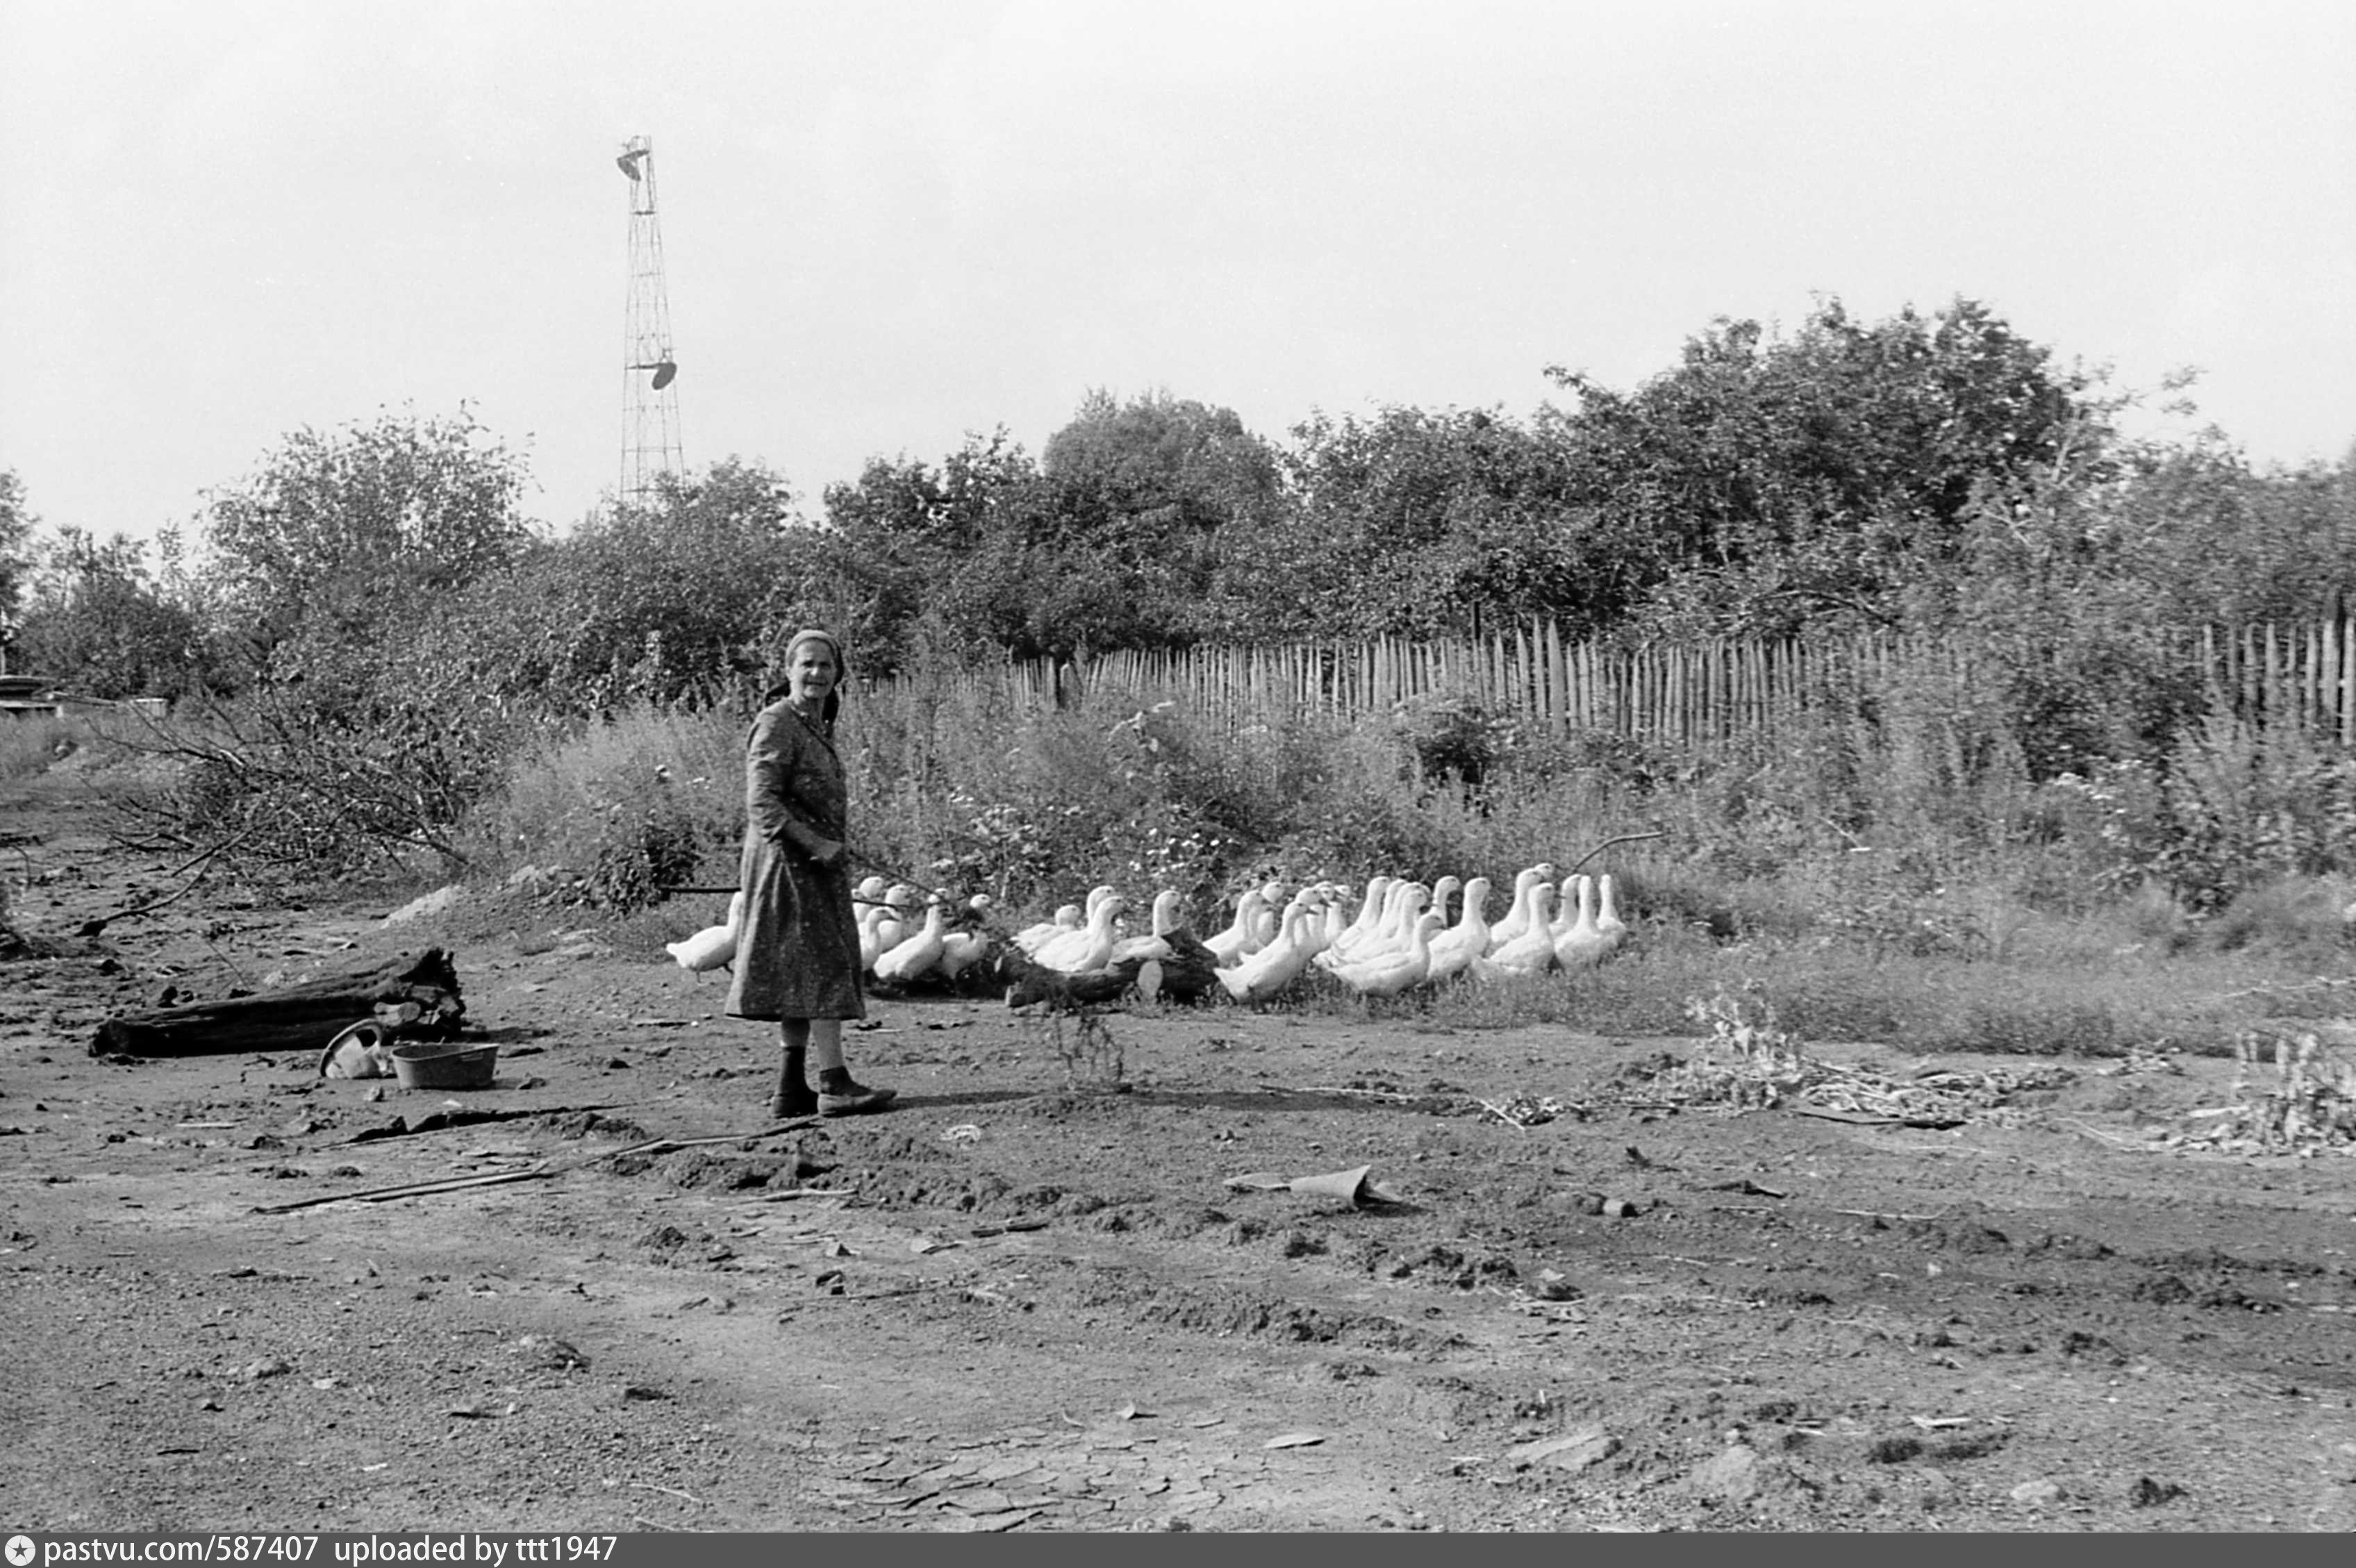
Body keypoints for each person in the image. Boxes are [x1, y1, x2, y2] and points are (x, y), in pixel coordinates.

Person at [727, 628, 895, 1119]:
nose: (817, 673)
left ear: (839, 671)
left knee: (800, 971)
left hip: (812, 862)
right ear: (788, 670)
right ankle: (835, 1083)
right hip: (788, 865)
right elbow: (762, 804)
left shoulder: (816, 723)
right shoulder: (777, 722)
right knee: (822, 966)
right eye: (807, 664)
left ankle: (789, 1088)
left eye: (826, 665)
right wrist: (816, 842)